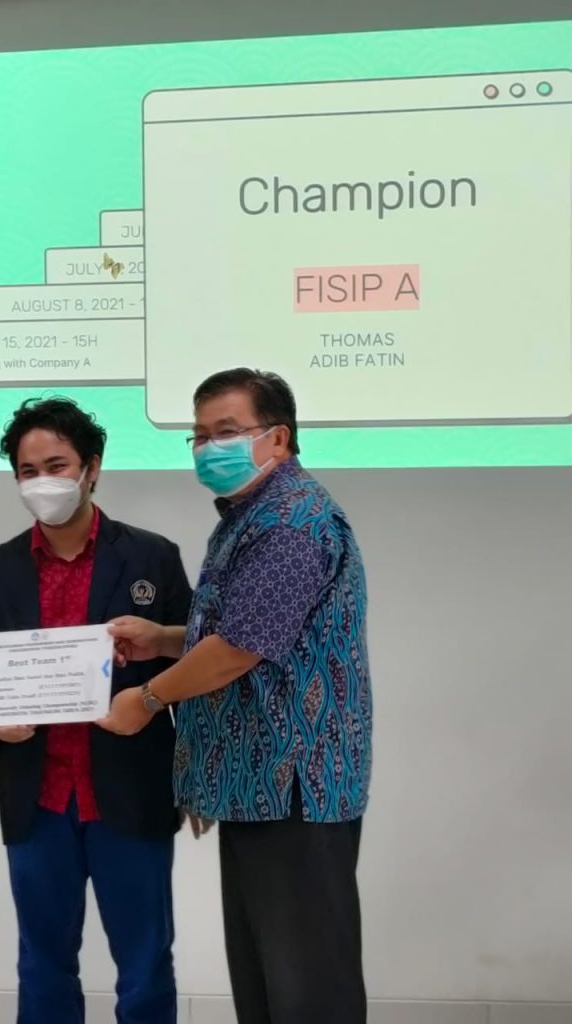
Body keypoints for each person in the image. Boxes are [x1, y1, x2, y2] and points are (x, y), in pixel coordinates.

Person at [99, 368, 372, 1024]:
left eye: (225, 432)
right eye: (198, 436)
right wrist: (163, 639)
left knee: (306, 992)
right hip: (257, 784)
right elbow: (239, 630)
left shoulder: (292, 522)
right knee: (266, 983)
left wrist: (147, 699)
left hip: (294, 788)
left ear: (278, 438)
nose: (207, 448)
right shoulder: (250, 515)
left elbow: (238, 649)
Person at [0, 397, 194, 1024]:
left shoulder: (152, 557)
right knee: (42, 962)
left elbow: (194, 660)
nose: (42, 482)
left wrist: (195, 769)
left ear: (91, 468)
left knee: (146, 961)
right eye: (28, 471)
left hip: (131, 789)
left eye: (57, 466)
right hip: (38, 795)